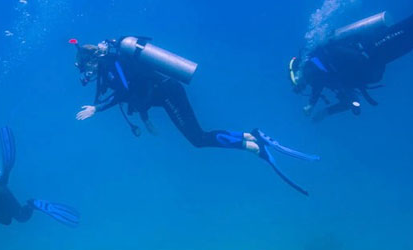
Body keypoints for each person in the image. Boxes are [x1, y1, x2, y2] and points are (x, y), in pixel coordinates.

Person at [71, 37, 320, 195]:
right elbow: (136, 87)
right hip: (165, 94)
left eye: (85, 67)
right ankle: (252, 137)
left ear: (91, 60)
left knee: (198, 138)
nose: (87, 73)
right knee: (198, 137)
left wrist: (97, 108)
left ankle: (254, 145)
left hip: (169, 93)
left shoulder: (110, 64)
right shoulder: (113, 64)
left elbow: (126, 90)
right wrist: (146, 120)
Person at [289, 0, 413, 122]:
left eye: (299, 84)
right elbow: (351, 102)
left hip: (371, 48)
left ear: (297, 73)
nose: (303, 85)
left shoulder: (313, 66)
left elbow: (317, 79)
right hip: (378, 58)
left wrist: (311, 104)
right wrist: (325, 112)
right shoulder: (328, 79)